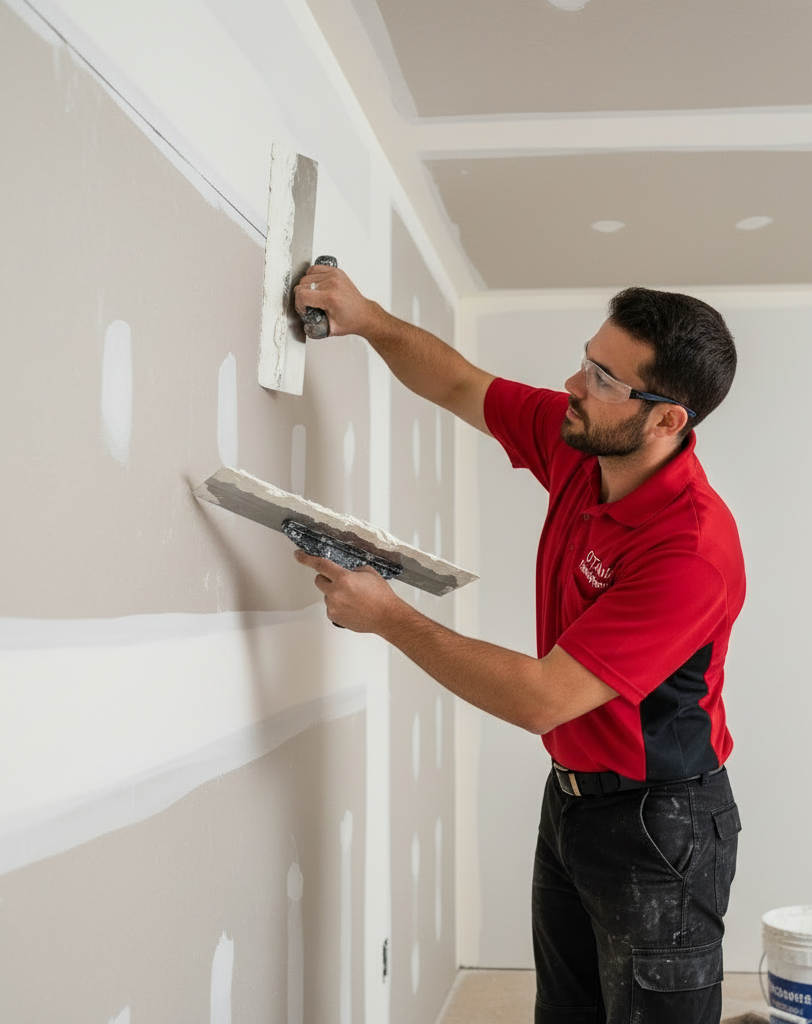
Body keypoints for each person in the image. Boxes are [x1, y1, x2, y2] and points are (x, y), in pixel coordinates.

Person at [292, 263, 745, 1024]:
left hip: (659, 825)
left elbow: (542, 698)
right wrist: (367, 318)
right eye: (587, 360)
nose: (574, 384)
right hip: (571, 802)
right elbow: (459, 384)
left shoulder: (690, 550)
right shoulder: (584, 444)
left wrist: (389, 617)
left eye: (603, 378)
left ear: (668, 420)